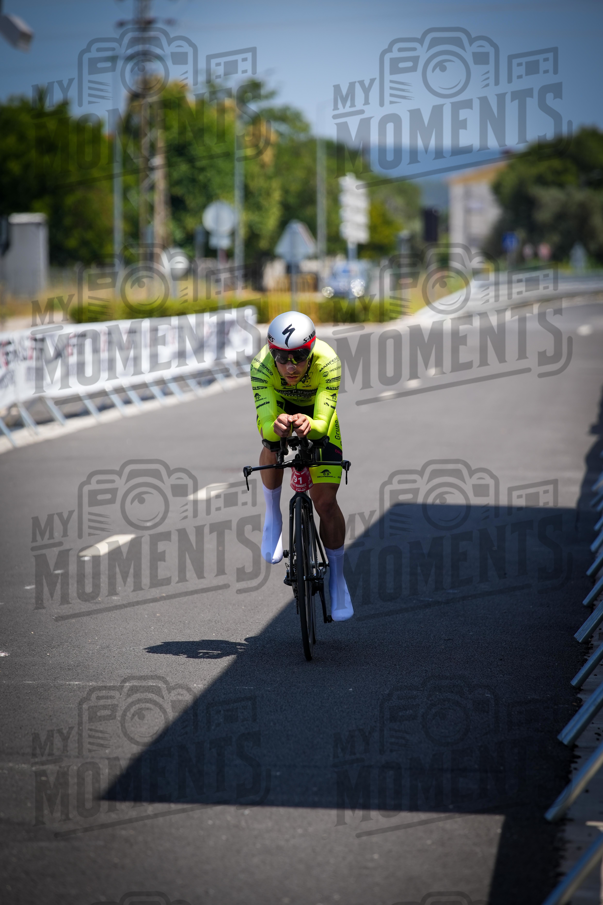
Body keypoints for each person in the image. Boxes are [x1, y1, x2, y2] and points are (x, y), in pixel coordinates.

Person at [250, 311, 353, 621]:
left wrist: (312, 424)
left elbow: (322, 423)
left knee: (325, 502)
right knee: (270, 444)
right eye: (282, 357)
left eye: (299, 356)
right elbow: (266, 424)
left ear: (312, 348)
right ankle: (273, 514)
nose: (290, 366)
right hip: (279, 410)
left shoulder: (328, 361)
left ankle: (337, 577)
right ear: (272, 353)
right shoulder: (261, 367)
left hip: (317, 415)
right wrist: (275, 427)